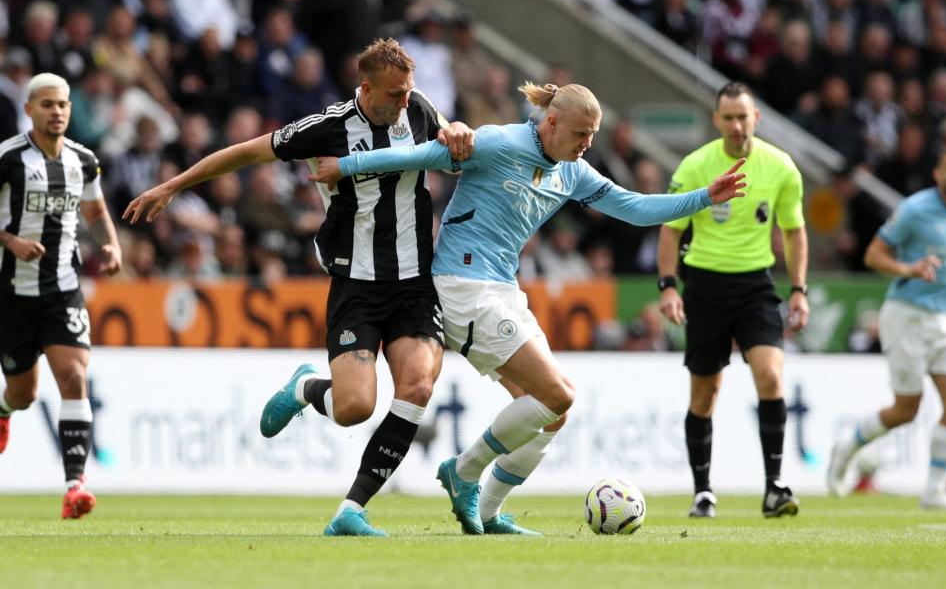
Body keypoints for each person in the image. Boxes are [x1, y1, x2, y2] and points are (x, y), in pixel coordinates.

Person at [309, 81, 747, 534]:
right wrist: (347, 164)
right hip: (462, 287)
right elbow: (418, 156)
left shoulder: (573, 172)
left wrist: (703, 198)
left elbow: (635, 207)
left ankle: (489, 512)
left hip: (502, 290)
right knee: (559, 393)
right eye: (581, 134)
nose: (587, 144)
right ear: (552, 122)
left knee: (553, 413)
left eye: (593, 135)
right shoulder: (500, 143)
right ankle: (462, 472)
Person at [123, 38, 474, 537]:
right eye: (394, 94)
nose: (404, 102)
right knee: (354, 408)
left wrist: (457, 129)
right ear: (366, 87)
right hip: (356, 284)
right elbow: (245, 153)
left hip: (416, 281)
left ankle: (352, 509)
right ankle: (307, 388)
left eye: (408, 93)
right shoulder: (328, 127)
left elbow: (450, 134)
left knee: (417, 384)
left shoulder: (415, 107)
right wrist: (173, 185)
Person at [656, 82, 808, 519]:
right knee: (705, 394)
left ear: (756, 118)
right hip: (704, 286)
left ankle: (774, 487)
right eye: (729, 117)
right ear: (716, 120)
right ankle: (703, 490)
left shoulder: (781, 168)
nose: (738, 125)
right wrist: (668, 285)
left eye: (744, 116)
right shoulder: (696, 164)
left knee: (772, 378)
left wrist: (799, 289)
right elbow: (671, 228)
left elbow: (794, 231)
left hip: (756, 286)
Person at [0, 73, 122, 518]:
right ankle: (3, 409)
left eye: (63, 104)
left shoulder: (83, 161)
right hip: (12, 292)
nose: (57, 112)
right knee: (24, 393)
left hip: (62, 289)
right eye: (48, 104)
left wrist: (110, 243)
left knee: (73, 377)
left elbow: (95, 208)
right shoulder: (8, 159)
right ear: (29, 109)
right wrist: (11, 242)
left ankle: (75, 487)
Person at [826, 145, 946, 511]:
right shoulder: (916, 210)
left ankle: (933, 491)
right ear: (937, 173)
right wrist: (909, 269)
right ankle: (847, 447)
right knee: (906, 410)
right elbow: (873, 255)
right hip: (908, 316)